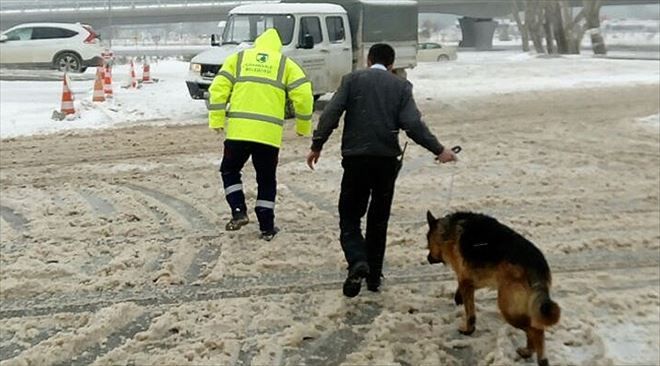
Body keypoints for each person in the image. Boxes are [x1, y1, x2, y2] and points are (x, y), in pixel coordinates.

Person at [306, 43, 457, 297]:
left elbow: (331, 114)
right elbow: (412, 124)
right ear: (391, 64)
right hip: (386, 162)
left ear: (368, 59)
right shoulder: (400, 86)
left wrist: (317, 145)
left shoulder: (352, 80)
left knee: (350, 216)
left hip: (356, 160)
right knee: (378, 219)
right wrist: (439, 150)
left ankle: (357, 260)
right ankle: (374, 276)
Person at [208, 28, 313, 241]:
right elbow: (304, 95)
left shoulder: (238, 59)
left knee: (229, 170)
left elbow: (218, 88)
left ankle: (238, 211)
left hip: (238, 133)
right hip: (268, 136)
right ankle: (266, 227)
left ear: (257, 44)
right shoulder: (285, 64)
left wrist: (217, 119)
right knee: (266, 179)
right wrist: (303, 126)